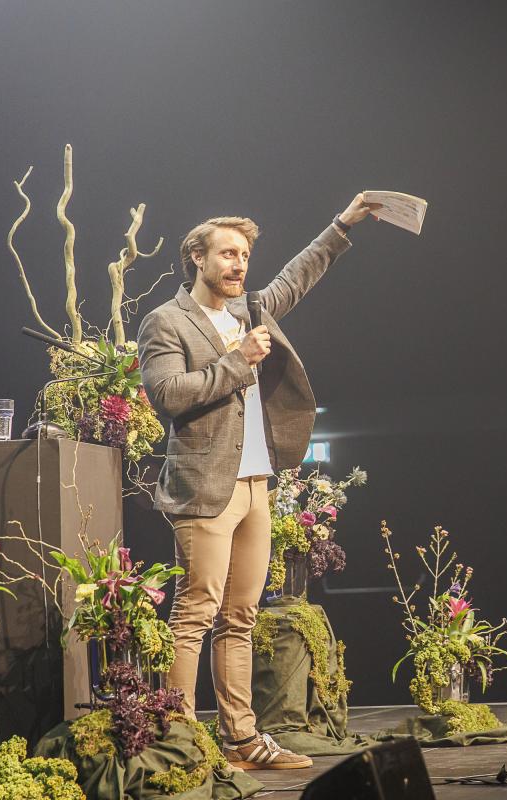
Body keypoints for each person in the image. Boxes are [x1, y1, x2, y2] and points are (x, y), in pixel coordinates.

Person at [138, 194, 381, 769]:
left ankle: (241, 739)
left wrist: (343, 223)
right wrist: (238, 361)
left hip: (254, 485)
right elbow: (167, 395)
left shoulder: (249, 310)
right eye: (227, 253)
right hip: (205, 488)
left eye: (245, 255)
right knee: (195, 614)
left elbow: (297, 277)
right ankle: (179, 742)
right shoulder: (166, 321)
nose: (239, 264)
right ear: (197, 258)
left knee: (240, 617)